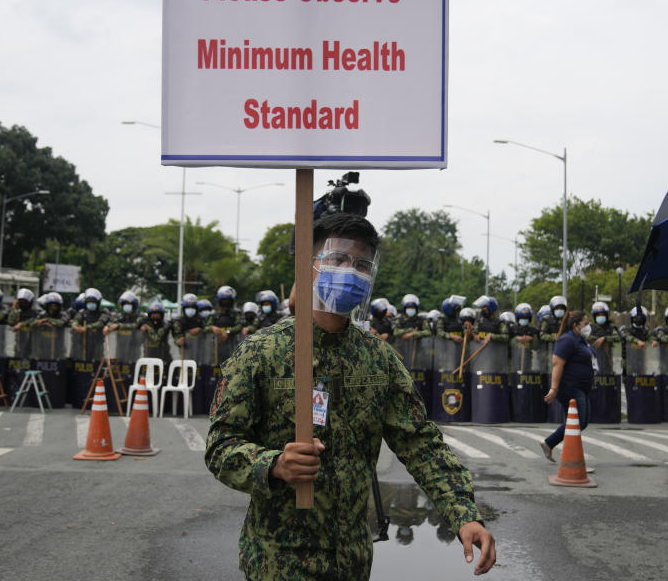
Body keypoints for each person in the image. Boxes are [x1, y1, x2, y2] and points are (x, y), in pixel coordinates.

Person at [206, 213, 495, 579]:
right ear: (309, 266)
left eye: (362, 264)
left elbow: (421, 444)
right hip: (278, 561)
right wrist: (274, 464)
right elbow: (220, 447)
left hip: (352, 561)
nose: (351, 272)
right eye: (339, 259)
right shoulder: (261, 353)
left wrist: (464, 514)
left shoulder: (378, 359)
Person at [540, 310, 595, 462]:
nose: (588, 326)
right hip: (570, 387)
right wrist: (554, 388)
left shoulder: (581, 339)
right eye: (586, 323)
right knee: (579, 421)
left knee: (580, 421)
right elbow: (557, 364)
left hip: (582, 388)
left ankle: (552, 445)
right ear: (576, 325)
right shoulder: (567, 340)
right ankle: (552, 444)